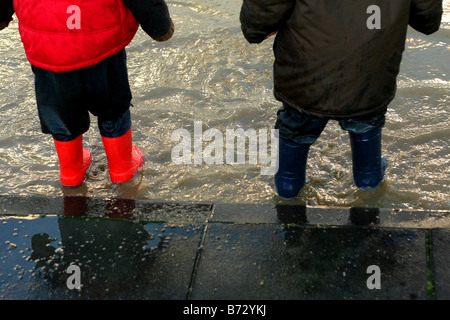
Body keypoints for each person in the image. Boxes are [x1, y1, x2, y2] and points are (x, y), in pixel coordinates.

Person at [240, 0, 443, 199]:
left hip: (308, 72)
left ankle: (287, 195)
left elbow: (264, 9)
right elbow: (427, 17)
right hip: (370, 67)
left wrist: (254, 30)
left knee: (296, 126)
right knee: (365, 119)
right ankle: (369, 192)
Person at [0, 0, 174, 187]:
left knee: (61, 111)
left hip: (49, 48)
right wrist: (159, 26)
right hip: (102, 42)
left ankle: (71, 171)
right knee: (112, 106)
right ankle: (122, 168)